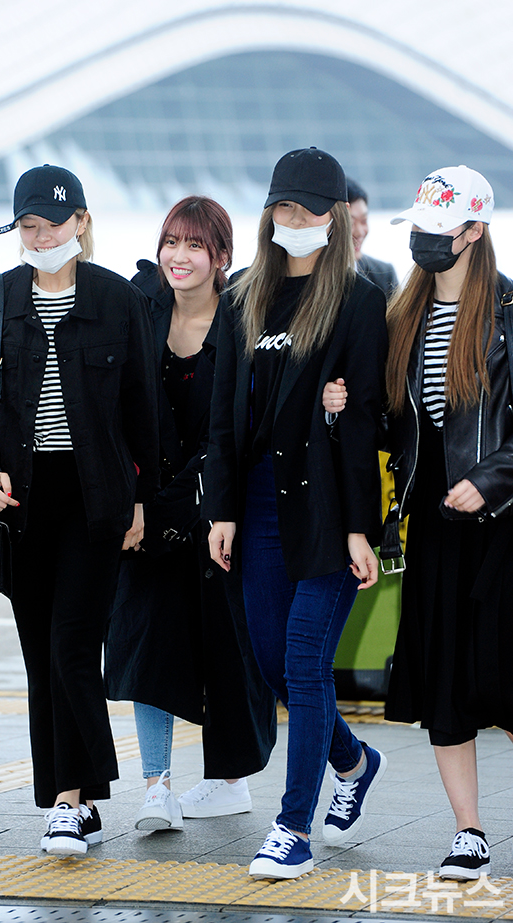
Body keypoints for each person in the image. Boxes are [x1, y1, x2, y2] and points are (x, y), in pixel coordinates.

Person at [0, 164, 159, 857]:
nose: (40, 237)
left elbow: (144, 409)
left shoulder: (117, 299)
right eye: (28, 226)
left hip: (96, 499)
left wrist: (143, 499)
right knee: (43, 654)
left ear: (81, 222)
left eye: (52, 224)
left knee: (71, 645)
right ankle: (76, 800)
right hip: (21, 501)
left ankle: (69, 802)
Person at [203, 148, 389, 880]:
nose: (296, 219)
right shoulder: (243, 294)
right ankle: (354, 761)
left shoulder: (358, 300)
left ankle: (292, 828)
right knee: (276, 667)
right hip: (255, 506)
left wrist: (359, 528)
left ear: (335, 217)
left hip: (326, 511)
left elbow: (367, 419)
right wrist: (221, 509)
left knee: (306, 664)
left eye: (311, 209)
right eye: (285, 206)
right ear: (269, 212)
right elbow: (223, 416)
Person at [324, 165, 513, 881]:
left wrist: (490, 481)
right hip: (432, 520)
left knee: (501, 674)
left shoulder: (507, 311)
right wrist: (344, 406)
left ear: (475, 231)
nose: (425, 241)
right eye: (420, 228)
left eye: (441, 229)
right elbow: (389, 422)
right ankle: (469, 831)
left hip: (501, 521)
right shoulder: (400, 313)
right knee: (446, 682)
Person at [104, 196, 277, 831]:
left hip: (217, 514)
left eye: (195, 246)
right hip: (146, 512)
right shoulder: (140, 308)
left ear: (221, 256)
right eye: (171, 242)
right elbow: (116, 407)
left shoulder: (243, 320)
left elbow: (247, 422)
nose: (179, 257)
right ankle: (157, 787)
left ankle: (230, 781)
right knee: (147, 642)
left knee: (226, 648)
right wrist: (132, 502)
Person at [347, 178, 398, 298]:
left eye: (364, 221)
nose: (359, 232)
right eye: (350, 223)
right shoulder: (309, 273)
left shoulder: (384, 275)